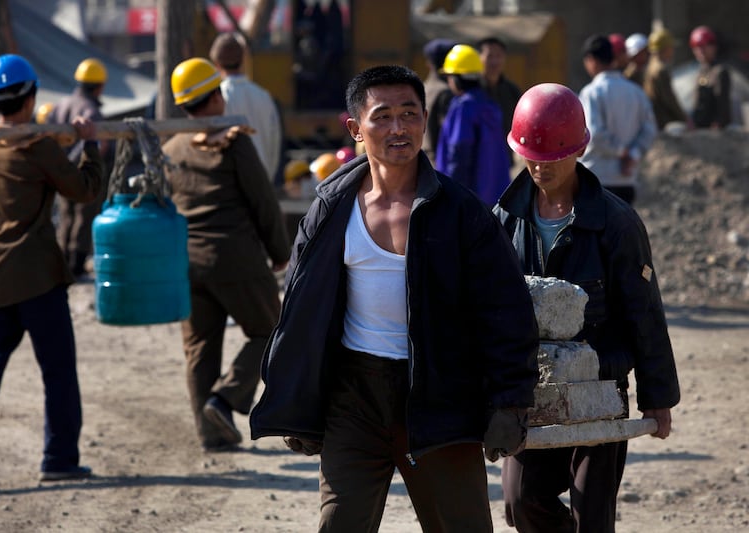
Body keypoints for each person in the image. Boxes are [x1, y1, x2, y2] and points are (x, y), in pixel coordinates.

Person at [250, 64, 539, 532]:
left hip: (439, 396)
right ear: (355, 129)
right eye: (382, 116)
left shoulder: (460, 213)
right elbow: (300, 309)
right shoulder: (330, 209)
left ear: (426, 119)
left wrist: (510, 401)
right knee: (340, 524)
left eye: (409, 113)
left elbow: (505, 311)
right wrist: (295, 399)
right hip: (354, 398)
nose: (398, 128)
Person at [494, 82, 680, 533]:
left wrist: (658, 398)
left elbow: (644, 312)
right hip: (531, 390)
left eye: (553, 155)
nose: (540, 167)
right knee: (521, 504)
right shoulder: (505, 219)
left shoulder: (615, 224)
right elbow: (490, 310)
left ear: (578, 150)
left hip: (599, 388)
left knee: (592, 517)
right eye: (530, 155)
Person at [0, 54, 104, 493]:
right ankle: (59, 458)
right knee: (57, 369)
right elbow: (85, 190)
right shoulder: (38, 149)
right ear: (31, 95)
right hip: (38, 279)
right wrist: (89, 145)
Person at [163, 58, 290, 452]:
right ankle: (224, 400)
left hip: (188, 263)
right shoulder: (232, 141)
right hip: (235, 258)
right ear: (216, 95)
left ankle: (210, 432)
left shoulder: (171, 147)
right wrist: (280, 251)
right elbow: (263, 200)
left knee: (200, 346)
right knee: (272, 332)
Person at [49, 58, 110, 279]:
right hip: (83, 172)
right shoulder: (90, 110)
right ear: (100, 85)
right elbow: (100, 144)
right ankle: (76, 265)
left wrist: (63, 166)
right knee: (84, 217)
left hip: (61, 171)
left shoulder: (61, 104)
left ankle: (62, 261)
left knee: (66, 216)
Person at [578, 35, 657, 205]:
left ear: (591, 60)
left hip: (597, 178)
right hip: (627, 180)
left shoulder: (592, 92)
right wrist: (633, 154)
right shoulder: (636, 92)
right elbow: (649, 130)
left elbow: (595, 134)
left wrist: (622, 152)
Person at [436, 44, 512, 206]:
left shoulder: (463, 106)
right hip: (494, 197)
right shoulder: (489, 104)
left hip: (467, 199)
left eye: (450, 77)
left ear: (457, 78)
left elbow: (458, 152)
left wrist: (451, 195)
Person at [210, 32, 283, 183]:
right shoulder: (264, 96)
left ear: (216, 63)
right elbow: (275, 141)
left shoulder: (218, 98)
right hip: (263, 180)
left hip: (233, 184)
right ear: (243, 60)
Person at [477, 36, 522, 165]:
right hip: (477, 162)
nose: (494, 61)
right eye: (490, 56)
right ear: (479, 57)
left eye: (499, 56)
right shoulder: (471, 90)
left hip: (504, 160)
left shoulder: (512, 91)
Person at [644, 28, 691, 130]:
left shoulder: (650, 67)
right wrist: (684, 119)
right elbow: (669, 100)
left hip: (653, 120)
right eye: (671, 48)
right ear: (665, 49)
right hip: (663, 122)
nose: (672, 51)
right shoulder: (661, 70)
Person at [689, 25, 731, 129]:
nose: (700, 51)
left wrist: (718, 123)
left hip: (713, 132)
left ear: (714, 47)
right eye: (697, 47)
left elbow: (723, 105)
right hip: (699, 128)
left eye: (704, 46)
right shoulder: (701, 71)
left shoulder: (720, 72)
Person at [421, 38, 455, 164]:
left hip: (422, 160)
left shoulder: (422, 88)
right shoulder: (446, 92)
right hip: (439, 163)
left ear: (429, 64)